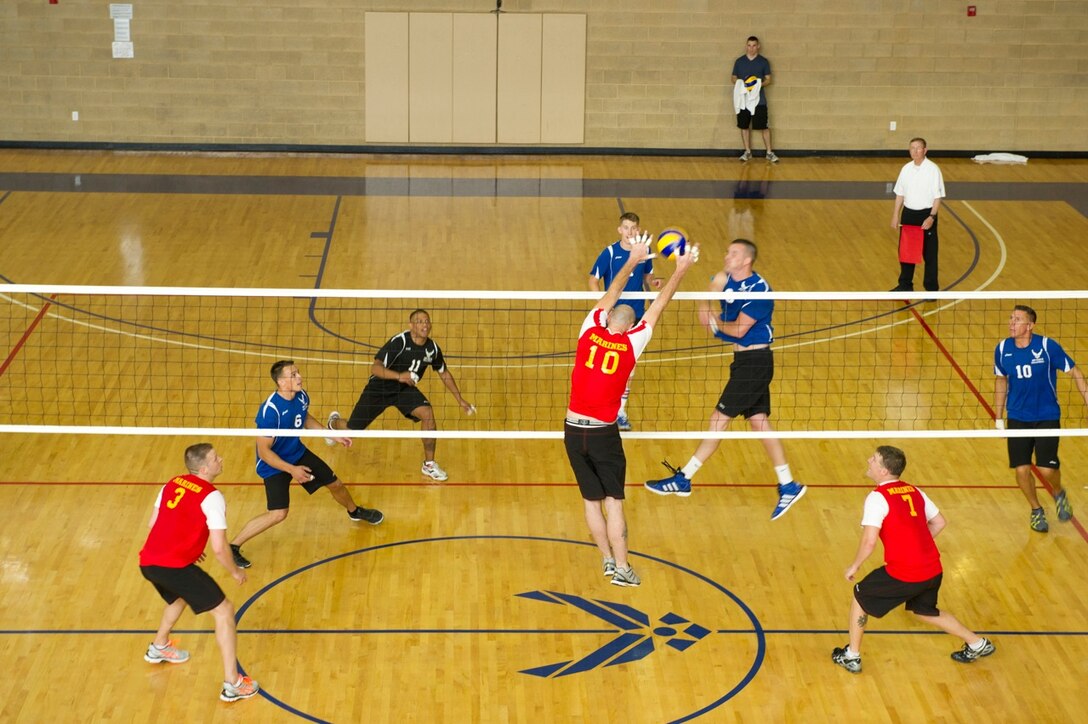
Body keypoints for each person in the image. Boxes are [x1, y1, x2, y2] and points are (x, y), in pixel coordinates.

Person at [567, 233, 698, 587]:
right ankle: (623, 569)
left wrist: (633, 259)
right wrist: (681, 269)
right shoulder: (633, 343)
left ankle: (608, 561)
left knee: (591, 502)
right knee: (613, 502)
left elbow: (610, 293)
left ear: (607, 318)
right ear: (630, 326)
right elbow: (660, 304)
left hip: (571, 428)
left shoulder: (588, 329)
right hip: (602, 432)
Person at [645, 239, 806, 520]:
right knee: (759, 422)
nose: (727, 256)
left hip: (755, 364)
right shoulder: (725, 277)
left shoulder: (759, 291)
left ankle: (684, 478)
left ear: (746, 260)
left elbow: (739, 330)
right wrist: (708, 305)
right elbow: (707, 305)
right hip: (743, 362)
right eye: (727, 251)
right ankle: (788, 484)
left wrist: (715, 324)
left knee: (718, 420)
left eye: (733, 253)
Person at [831, 445, 995, 673]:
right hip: (932, 568)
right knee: (925, 611)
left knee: (860, 595)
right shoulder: (914, 490)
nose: (869, 460)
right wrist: (916, 544)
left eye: (874, 459)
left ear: (884, 471)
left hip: (906, 572)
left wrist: (855, 565)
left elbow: (869, 541)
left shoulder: (877, 498)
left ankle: (852, 656)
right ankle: (977, 643)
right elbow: (940, 522)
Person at [230, 360, 384, 569]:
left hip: (296, 453)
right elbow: (264, 452)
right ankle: (233, 546)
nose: (299, 376)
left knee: (335, 484)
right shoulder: (270, 411)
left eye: (298, 372)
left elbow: (304, 418)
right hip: (273, 464)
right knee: (278, 514)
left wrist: (331, 435)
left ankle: (354, 511)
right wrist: (292, 470)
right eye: (293, 375)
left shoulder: (301, 396)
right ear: (282, 382)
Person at [139, 443, 260, 702]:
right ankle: (233, 683)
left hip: (149, 562)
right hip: (174, 566)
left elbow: (154, 523)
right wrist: (235, 571)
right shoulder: (212, 497)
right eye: (216, 458)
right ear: (205, 468)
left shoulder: (172, 483)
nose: (222, 459)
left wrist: (186, 546)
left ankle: (159, 646)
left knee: (179, 596)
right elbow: (219, 547)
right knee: (225, 610)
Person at [328, 309, 474, 482]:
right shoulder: (400, 342)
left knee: (428, 414)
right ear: (411, 325)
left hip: (404, 390)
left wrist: (460, 400)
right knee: (352, 431)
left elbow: (444, 373)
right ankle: (333, 423)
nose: (424, 324)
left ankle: (429, 464)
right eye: (419, 321)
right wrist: (399, 376)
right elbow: (375, 368)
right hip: (380, 387)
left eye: (427, 321)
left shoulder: (432, 349)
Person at [993, 304, 1087, 532]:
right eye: (1011, 318)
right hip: (1017, 417)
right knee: (1021, 469)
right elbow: (1001, 380)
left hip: (1047, 415)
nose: (1011, 323)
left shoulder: (1047, 347)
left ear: (1030, 325)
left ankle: (1058, 493)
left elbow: (1075, 371)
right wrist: (998, 418)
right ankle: (1036, 510)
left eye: (1017, 320)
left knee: (1046, 470)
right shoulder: (1003, 348)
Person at [587, 211, 663, 431]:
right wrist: (602, 307)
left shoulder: (645, 251)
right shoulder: (609, 253)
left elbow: (647, 275)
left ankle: (620, 412)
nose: (630, 232)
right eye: (626, 228)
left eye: (634, 228)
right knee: (605, 361)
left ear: (638, 230)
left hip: (636, 315)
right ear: (620, 229)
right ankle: (600, 403)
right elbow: (593, 280)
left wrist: (654, 281)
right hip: (613, 316)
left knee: (629, 366)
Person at [890, 137, 945, 292]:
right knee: (906, 252)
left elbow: (937, 197)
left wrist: (931, 217)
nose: (915, 151)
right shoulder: (906, 168)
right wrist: (895, 214)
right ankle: (905, 285)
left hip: (926, 215)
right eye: (912, 148)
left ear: (925, 150)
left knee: (929, 254)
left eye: (918, 148)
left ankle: (932, 289)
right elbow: (900, 194)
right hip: (908, 214)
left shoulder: (933, 170)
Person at [731, 36, 778, 163]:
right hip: (743, 100)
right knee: (744, 126)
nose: (751, 48)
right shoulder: (739, 62)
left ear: (758, 46)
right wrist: (744, 84)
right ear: (746, 46)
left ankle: (769, 152)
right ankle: (747, 152)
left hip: (759, 100)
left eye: (754, 45)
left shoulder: (763, 62)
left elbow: (768, 79)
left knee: (764, 127)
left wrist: (757, 85)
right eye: (749, 45)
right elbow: (733, 78)